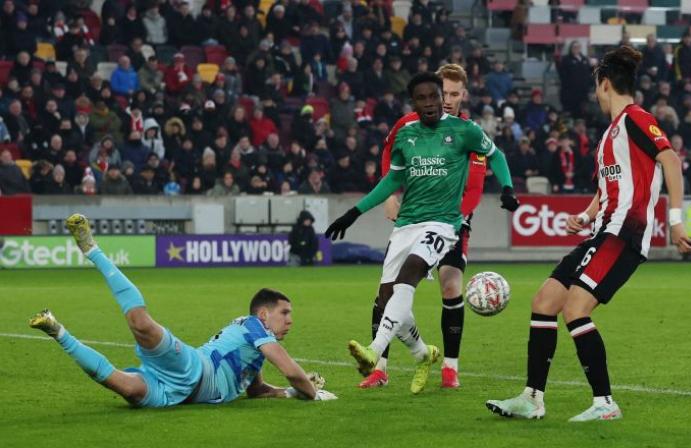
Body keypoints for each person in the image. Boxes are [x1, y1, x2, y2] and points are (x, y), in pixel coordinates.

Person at [486, 46, 691, 422]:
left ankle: (605, 403)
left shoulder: (636, 118)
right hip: (602, 231)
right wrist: (585, 215)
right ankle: (532, 398)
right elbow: (607, 188)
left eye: (596, 87)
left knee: (575, 308)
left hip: (624, 234)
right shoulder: (611, 134)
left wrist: (676, 219)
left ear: (604, 85)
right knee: (544, 302)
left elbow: (670, 159)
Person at [325, 72, 517, 394]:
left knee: (411, 273)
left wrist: (508, 188)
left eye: (434, 97)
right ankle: (422, 354)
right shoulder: (406, 135)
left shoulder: (464, 130)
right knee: (386, 297)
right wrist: (353, 212)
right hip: (406, 224)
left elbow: (496, 155)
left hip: (443, 223)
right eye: (422, 98)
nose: (430, 103)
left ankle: (374, 351)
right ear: (414, 102)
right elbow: (391, 181)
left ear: (442, 97)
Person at [29, 214, 337, 408]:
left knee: (122, 386)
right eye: (285, 312)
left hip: (174, 395)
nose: (290, 321)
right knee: (141, 323)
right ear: (264, 315)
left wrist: (290, 393)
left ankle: (56, 330)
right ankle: (92, 250)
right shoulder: (254, 328)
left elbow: (256, 390)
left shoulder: (253, 345)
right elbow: (291, 370)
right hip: (192, 368)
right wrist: (310, 392)